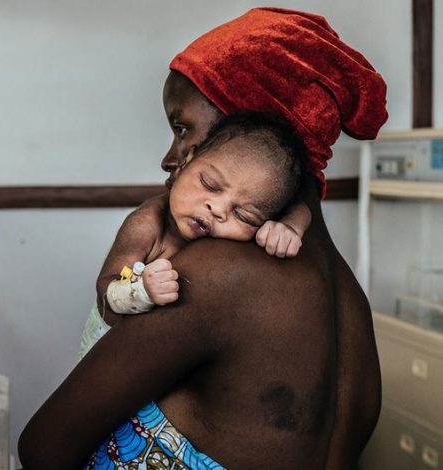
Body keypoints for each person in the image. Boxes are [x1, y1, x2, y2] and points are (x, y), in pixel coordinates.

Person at [19, 7, 387, 469]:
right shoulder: (350, 302)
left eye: (183, 128)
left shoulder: (218, 274)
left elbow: (42, 447)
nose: (171, 158)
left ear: (255, 132)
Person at [78, 111, 310, 360]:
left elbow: (301, 208)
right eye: (209, 184)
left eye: (243, 215)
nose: (218, 210)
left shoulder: (252, 225)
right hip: (108, 349)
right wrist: (141, 291)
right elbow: (105, 291)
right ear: (186, 163)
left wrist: (289, 227)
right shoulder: (147, 224)